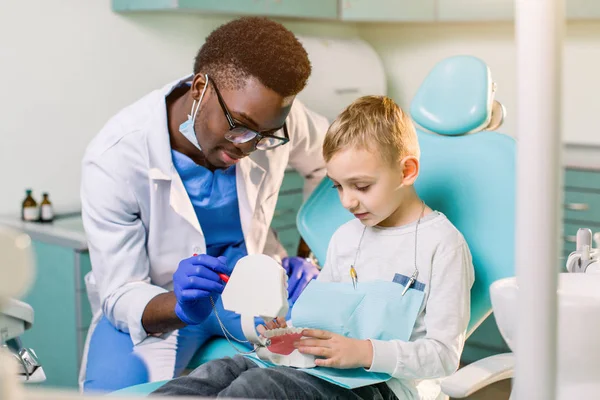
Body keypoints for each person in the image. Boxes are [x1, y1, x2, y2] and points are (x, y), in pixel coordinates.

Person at [151, 96, 475, 399]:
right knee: (217, 372)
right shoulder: (346, 237)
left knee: (257, 387)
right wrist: (290, 332)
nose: (347, 201)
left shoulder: (442, 246)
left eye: (361, 186)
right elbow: (329, 322)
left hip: (383, 385)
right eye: (338, 186)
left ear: (407, 171)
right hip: (318, 368)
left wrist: (363, 352)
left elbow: (444, 356)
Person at [79, 17, 326, 392]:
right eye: (239, 126)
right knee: (112, 393)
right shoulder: (115, 158)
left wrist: (311, 254)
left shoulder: (270, 119)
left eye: (264, 137)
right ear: (199, 89)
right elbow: (120, 291)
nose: (246, 147)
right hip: (160, 299)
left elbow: (333, 163)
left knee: (321, 367)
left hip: (256, 289)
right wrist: (179, 305)